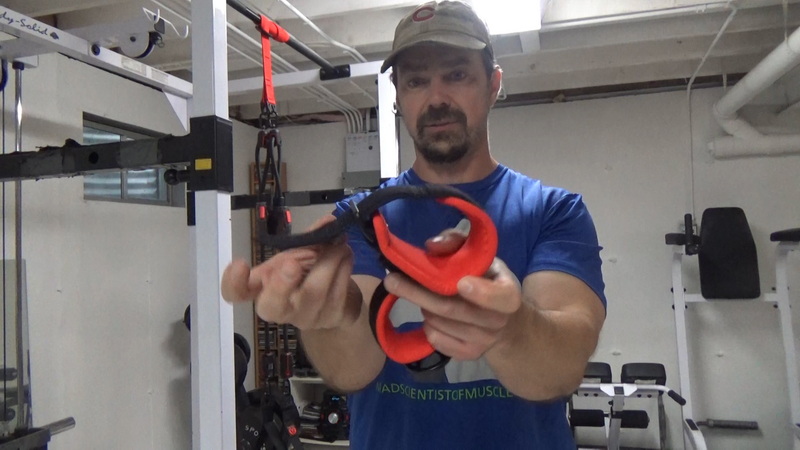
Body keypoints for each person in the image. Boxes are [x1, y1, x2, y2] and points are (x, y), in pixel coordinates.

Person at [222, 1, 606, 448]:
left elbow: (563, 367)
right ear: (398, 97)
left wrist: (512, 328)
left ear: (493, 85)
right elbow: (351, 371)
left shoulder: (554, 211)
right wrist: (328, 316)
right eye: (417, 81)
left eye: (457, 74)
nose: (436, 98)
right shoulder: (364, 219)